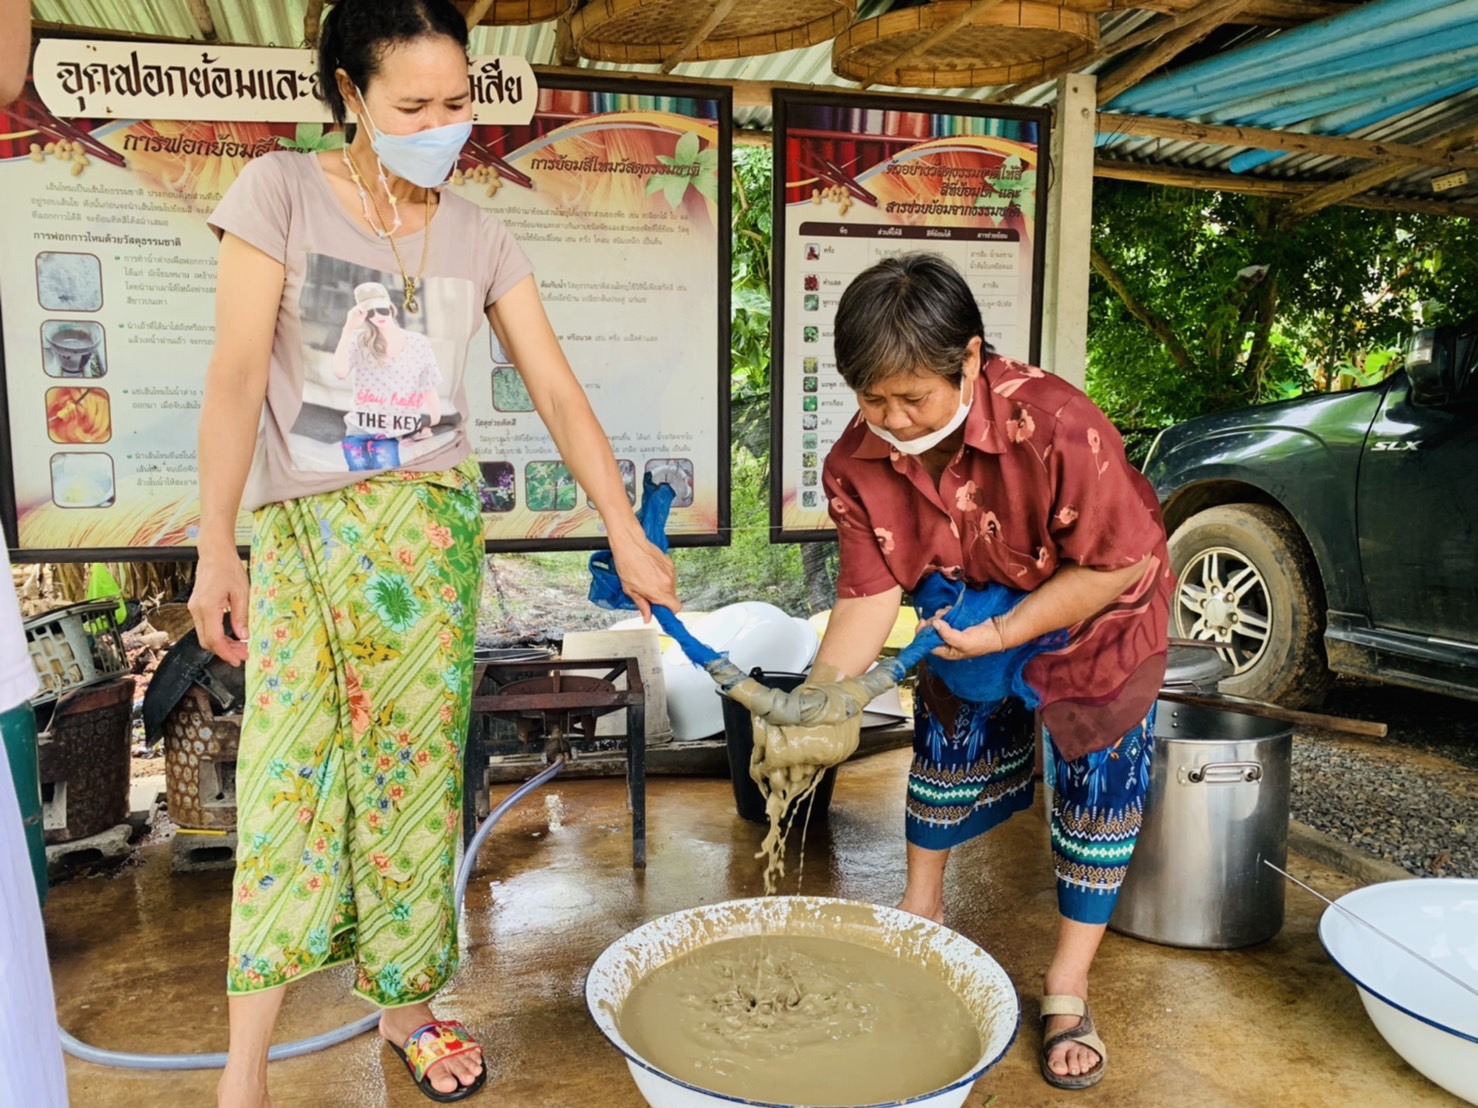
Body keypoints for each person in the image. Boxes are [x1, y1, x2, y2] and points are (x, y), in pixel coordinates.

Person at [187, 2, 678, 1104]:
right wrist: (215, 542)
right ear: (349, 94)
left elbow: (553, 387)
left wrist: (621, 524)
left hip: (427, 544)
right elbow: (230, 377)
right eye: (413, 105)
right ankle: (243, 1067)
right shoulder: (278, 193)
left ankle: (408, 1011)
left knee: (412, 791)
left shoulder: (478, 234)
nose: (441, 124)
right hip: (310, 538)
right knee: (287, 788)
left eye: (457, 103)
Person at [811, 253, 1170, 1091]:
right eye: (872, 399)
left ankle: (1068, 986)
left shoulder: (1053, 423)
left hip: (1098, 611)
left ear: (969, 359)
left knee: (1097, 785)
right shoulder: (854, 464)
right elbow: (868, 593)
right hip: (972, 610)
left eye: (914, 398)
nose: (894, 421)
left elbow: (1116, 563)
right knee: (947, 741)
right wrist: (820, 697)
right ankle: (922, 905)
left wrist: (1011, 625)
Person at [332, 281, 442, 470]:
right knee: (357, 481)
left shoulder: (418, 343)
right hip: (359, 428)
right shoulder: (359, 341)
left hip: (394, 431)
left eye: (381, 309)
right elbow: (340, 372)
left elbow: (428, 387)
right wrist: (348, 328)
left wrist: (433, 423)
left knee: (387, 477)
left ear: (390, 307)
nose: (377, 316)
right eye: (370, 312)